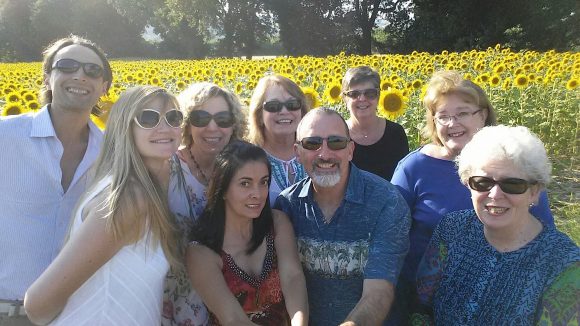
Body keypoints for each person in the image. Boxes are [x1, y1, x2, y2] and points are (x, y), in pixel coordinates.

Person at [390, 70, 554, 324]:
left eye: (463, 113)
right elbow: (390, 233)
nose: (452, 123)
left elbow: (545, 236)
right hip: (427, 298)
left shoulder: (519, 164)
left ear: (483, 114)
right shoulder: (416, 170)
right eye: (443, 116)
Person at [24, 86, 184, 325]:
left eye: (173, 118)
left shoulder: (147, 188)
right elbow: (38, 303)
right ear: (124, 127)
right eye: (148, 118)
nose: (165, 127)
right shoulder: (128, 198)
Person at [413, 125, 579, 325]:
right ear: (468, 184)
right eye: (482, 182)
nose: (495, 195)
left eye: (512, 185)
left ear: (534, 191)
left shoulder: (564, 265)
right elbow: (420, 306)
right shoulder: (452, 230)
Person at [0, 35, 112, 323]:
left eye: (92, 71)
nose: (80, 75)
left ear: (104, 87)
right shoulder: (5, 137)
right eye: (67, 66)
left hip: (77, 312)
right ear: (48, 78)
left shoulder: (112, 155)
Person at [274, 107, 411, 325]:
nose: (325, 154)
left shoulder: (386, 201)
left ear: (350, 150)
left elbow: (378, 293)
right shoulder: (286, 206)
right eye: (312, 143)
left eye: (336, 143)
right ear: (297, 152)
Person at [187, 141, 308, 325]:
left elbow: (293, 278)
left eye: (264, 182)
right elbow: (233, 319)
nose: (257, 194)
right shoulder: (201, 252)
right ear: (223, 189)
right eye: (245, 184)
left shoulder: (277, 223)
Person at [163, 82, 246, 326]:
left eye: (223, 119)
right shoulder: (167, 168)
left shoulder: (243, 168)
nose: (213, 127)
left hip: (233, 297)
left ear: (234, 125)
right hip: (177, 295)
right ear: (187, 123)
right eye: (201, 118)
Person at [248, 75, 311, 204]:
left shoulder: (317, 152)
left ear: (302, 112)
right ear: (259, 115)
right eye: (273, 106)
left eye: (292, 104)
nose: (284, 111)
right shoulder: (246, 159)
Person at [343, 66, 409, 181]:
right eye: (354, 94)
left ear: (378, 96)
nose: (362, 99)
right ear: (345, 99)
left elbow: (405, 179)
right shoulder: (338, 136)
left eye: (370, 93)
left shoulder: (396, 133)